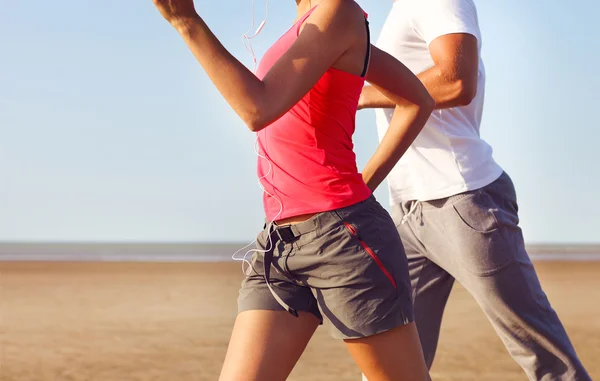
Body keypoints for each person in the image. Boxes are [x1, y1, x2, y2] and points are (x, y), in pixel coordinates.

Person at [152, 0, 436, 380]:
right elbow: (417, 97)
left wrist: (186, 21)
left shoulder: (338, 12)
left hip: (343, 241)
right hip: (278, 245)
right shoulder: (311, 27)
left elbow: (258, 107)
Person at [358, 0, 592, 380]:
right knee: (395, 366)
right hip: (408, 210)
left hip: (462, 202)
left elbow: (456, 80)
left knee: (548, 362)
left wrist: (362, 95)